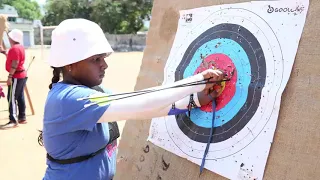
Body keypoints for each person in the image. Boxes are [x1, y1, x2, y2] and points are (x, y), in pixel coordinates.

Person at [40, 18, 226, 180]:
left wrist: (196, 100)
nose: (104, 65)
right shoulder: (69, 100)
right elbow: (141, 104)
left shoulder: (94, 90)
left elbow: (152, 108)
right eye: (96, 59)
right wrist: (198, 81)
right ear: (70, 65)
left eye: (103, 58)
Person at [0, 29, 27, 129]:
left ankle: (13, 120)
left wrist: (10, 76)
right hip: (21, 75)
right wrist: (4, 52)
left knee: (11, 98)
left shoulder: (14, 49)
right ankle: (22, 117)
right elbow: (13, 58)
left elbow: (15, 63)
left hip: (16, 76)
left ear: (12, 38)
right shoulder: (19, 47)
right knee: (20, 96)